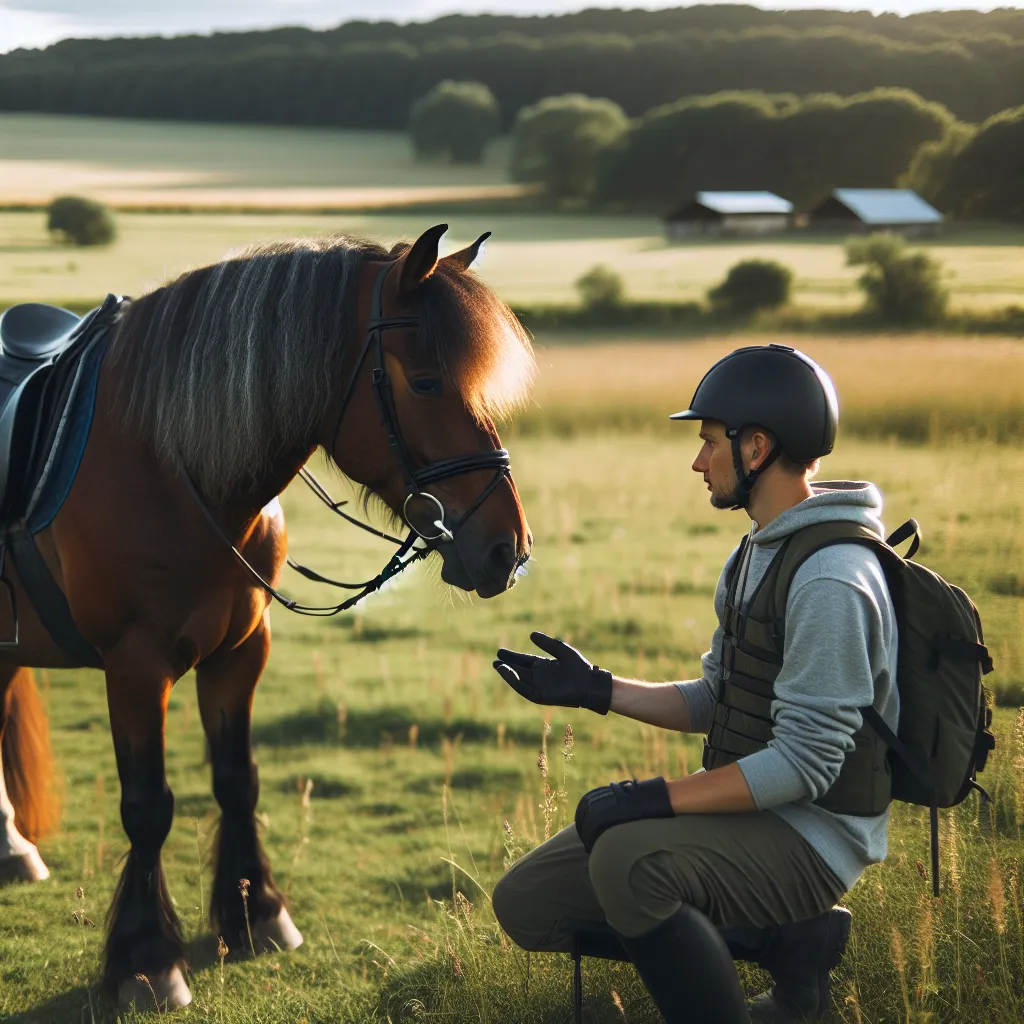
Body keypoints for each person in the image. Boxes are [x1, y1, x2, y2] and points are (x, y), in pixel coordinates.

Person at [490, 344, 899, 1024]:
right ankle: (789, 945)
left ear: (757, 448)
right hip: (756, 815)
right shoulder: (756, 552)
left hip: (814, 839)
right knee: (528, 901)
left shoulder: (831, 580)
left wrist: (653, 798)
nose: (698, 460)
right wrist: (598, 688)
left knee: (628, 859)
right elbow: (718, 698)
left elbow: (806, 763)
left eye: (710, 442)